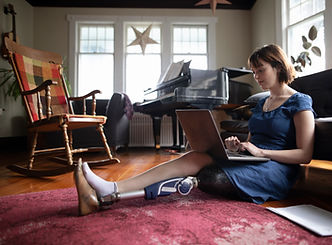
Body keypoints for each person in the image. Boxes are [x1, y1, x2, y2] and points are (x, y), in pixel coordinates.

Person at [74, 44, 315, 216]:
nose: (256, 76)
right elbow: (254, 141)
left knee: (211, 177)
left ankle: (109, 197)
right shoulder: (261, 102)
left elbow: (304, 155)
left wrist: (262, 153)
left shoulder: (300, 102)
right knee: (195, 156)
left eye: (260, 70)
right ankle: (113, 189)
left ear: (278, 66)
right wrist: (237, 147)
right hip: (256, 160)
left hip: (277, 170)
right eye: (254, 71)